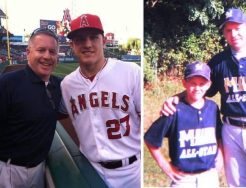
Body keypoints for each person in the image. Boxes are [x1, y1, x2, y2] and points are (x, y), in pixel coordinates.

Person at [160, 8, 246, 187]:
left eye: (238, 28)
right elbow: (200, 87)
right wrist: (176, 98)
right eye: (228, 30)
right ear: (224, 33)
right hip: (231, 133)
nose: (234, 34)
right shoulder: (219, 62)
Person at [60, 13, 141, 188]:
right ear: (72, 45)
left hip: (131, 172)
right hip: (89, 169)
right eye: (80, 39)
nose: (87, 44)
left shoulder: (131, 72)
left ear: (103, 41)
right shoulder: (67, 85)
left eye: (93, 38)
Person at [145, 61, 223, 187]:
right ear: (184, 83)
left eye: (202, 84)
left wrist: (220, 156)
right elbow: (150, 139)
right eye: (193, 83)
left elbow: (219, 135)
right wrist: (165, 166)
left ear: (209, 85)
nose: (197, 88)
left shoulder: (213, 108)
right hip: (183, 178)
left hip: (209, 176)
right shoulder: (174, 110)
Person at [0, 28, 61, 188]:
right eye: (41, 50)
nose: (47, 56)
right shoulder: (7, 83)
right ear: (28, 52)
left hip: (39, 168)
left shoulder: (59, 85)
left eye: (52, 51)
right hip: (9, 170)